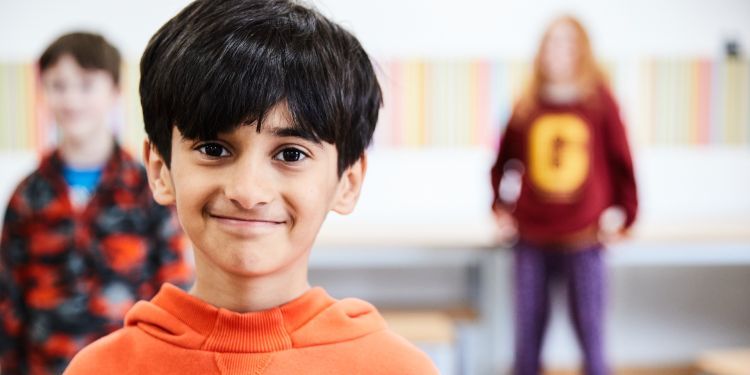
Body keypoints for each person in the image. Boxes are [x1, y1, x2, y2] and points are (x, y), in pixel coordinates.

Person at [63, 1, 438, 374]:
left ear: (348, 181)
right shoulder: (102, 368)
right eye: (213, 149)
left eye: (291, 154)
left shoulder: (397, 368)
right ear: (161, 169)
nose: (248, 191)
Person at [0, 32, 192, 375]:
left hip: (131, 365)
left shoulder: (149, 185)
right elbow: (8, 297)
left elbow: (173, 283)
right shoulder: (27, 196)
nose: (71, 99)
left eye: (86, 84)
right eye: (58, 85)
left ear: (115, 92)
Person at [490, 15, 638, 375]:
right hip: (531, 239)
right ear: (541, 51)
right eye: (552, 42)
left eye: (569, 43)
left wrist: (627, 215)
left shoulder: (600, 104)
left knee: (591, 335)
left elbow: (623, 164)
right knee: (527, 338)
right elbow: (501, 163)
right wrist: (499, 207)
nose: (559, 51)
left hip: (584, 238)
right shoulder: (528, 105)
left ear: (583, 51)